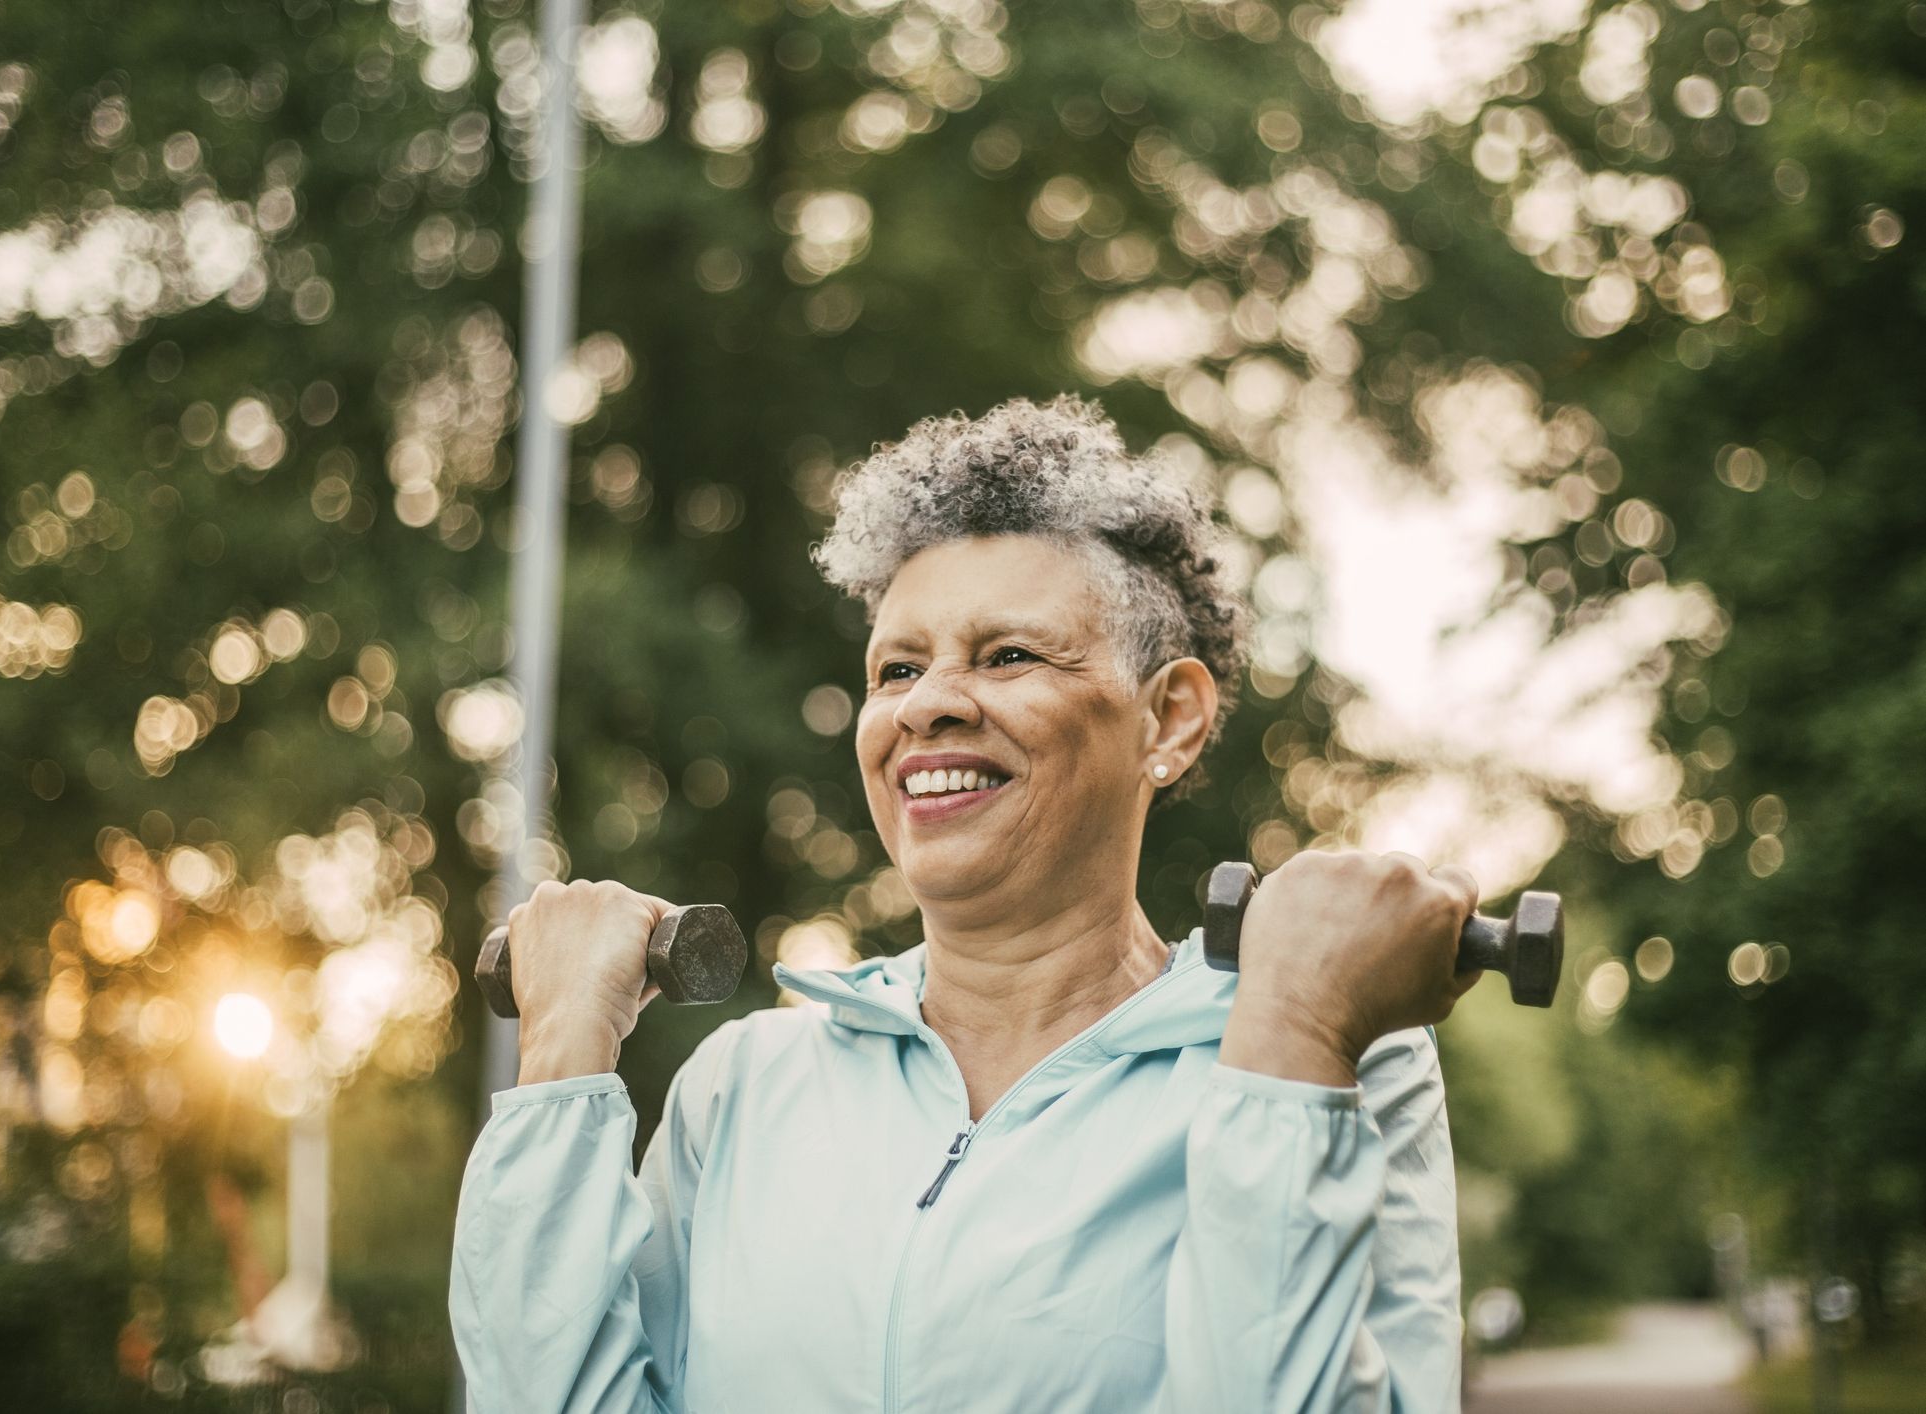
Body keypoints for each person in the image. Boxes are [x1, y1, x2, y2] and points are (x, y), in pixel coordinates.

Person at [451, 395, 1481, 1412]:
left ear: (1169, 717)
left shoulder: (1327, 1057)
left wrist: (1298, 1035)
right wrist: (561, 1057)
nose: (927, 703)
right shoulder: (744, 1092)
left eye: (1009, 655)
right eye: (897, 667)